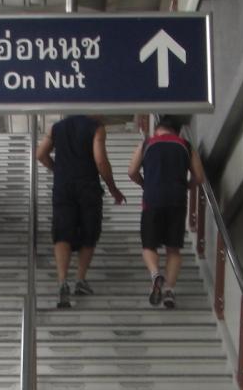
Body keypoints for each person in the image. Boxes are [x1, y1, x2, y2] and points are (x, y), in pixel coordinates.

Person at [36, 115, 126, 309]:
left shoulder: (57, 127)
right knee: (89, 232)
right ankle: (80, 280)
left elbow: (40, 154)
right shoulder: (96, 128)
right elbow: (100, 160)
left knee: (62, 233)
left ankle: (62, 282)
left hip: (63, 188)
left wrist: (58, 170)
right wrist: (113, 189)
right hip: (88, 187)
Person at [127, 115, 205, 310]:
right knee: (173, 249)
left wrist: (144, 183)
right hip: (177, 201)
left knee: (149, 246)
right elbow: (199, 176)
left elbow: (132, 171)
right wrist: (187, 186)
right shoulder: (186, 146)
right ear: (177, 132)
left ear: (157, 128)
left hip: (152, 200)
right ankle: (169, 290)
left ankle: (155, 275)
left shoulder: (147, 144)